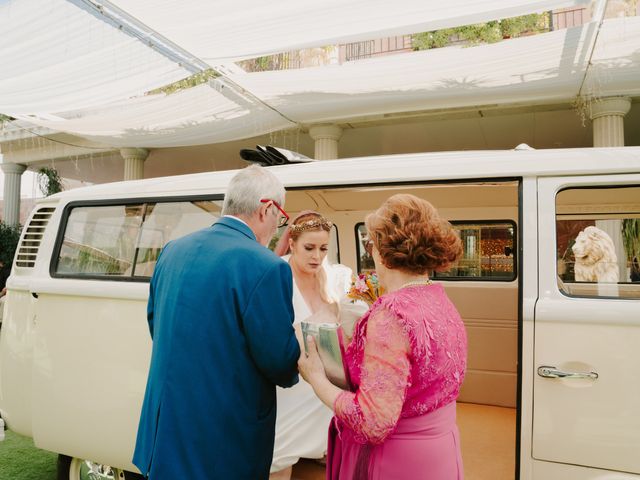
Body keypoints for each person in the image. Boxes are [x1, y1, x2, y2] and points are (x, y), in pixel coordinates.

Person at [132, 165, 301, 480]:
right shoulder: (266, 266)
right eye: (280, 218)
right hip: (222, 440)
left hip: (164, 429)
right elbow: (278, 359)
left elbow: (156, 322)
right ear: (267, 208)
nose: (277, 228)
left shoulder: (173, 250)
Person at [299, 193, 467, 480]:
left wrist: (315, 376)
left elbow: (373, 421)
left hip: (399, 461)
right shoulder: (440, 300)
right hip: (440, 449)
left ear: (380, 251)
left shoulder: (391, 314)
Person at [269, 211, 351, 479]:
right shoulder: (276, 275)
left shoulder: (330, 277)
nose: (317, 256)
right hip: (289, 383)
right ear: (291, 244)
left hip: (323, 382)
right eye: (309, 248)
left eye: (323, 248)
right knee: (279, 454)